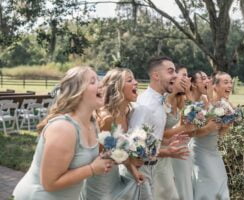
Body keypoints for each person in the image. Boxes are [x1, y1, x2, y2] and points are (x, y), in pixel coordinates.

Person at [13, 66, 113, 200]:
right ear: (78, 92)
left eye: (99, 80)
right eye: (93, 81)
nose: (101, 84)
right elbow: (50, 183)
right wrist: (92, 169)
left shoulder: (92, 123)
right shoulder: (64, 128)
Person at [122, 56, 189, 200]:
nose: (176, 75)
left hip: (153, 167)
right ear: (156, 76)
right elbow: (134, 147)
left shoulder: (161, 100)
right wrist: (167, 152)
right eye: (170, 71)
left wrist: (166, 141)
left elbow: (150, 138)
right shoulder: (146, 105)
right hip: (140, 170)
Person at [80, 67, 142, 200]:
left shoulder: (126, 114)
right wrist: (126, 155)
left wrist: (133, 168)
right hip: (100, 177)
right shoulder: (107, 119)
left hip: (113, 174)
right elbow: (98, 155)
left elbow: (118, 150)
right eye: (130, 80)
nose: (136, 82)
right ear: (117, 88)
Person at [153, 64, 193, 200]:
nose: (187, 79)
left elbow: (191, 121)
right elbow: (160, 132)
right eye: (184, 75)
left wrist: (188, 93)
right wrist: (183, 129)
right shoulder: (163, 101)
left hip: (171, 148)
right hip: (159, 150)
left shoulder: (178, 99)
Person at [192, 71, 232, 200]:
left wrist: (226, 126)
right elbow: (193, 131)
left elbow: (220, 134)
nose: (230, 85)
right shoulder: (202, 102)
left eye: (231, 82)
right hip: (199, 150)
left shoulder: (225, 106)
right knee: (208, 182)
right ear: (215, 85)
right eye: (226, 82)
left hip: (213, 151)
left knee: (221, 179)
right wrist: (208, 128)